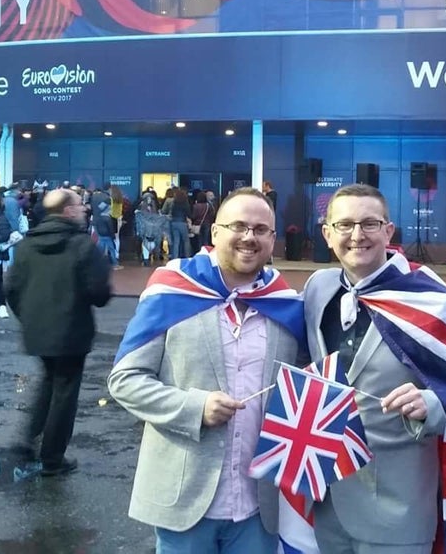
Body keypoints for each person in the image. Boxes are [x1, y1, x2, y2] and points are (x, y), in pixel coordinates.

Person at [108, 187, 305, 554]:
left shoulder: (285, 305)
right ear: (215, 232)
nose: (249, 237)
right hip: (184, 499)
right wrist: (194, 408)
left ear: (273, 239)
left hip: (259, 505)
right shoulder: (173, 289)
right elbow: (125, 380)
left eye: (261, 229)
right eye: (238, 226)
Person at [302, 183, 446, 554]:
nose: (357, 235)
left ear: (389, 230)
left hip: (398, 507)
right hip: (325, 499)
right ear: (327, 233)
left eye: (370, 223)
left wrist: (431, 404)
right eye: (345, 225)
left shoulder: (430, 299)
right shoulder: (317, 290)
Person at [5, 188, 113, 476]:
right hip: (72, 331)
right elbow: (100, 293)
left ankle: (28, 442)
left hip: (38, 330)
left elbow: (11, 288)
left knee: (49, 382)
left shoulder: (28, 245)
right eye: (79, 205)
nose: (83, 209)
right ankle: (53, 456)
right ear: (67, 211)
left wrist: (28, 317)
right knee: (64, 392)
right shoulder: (82, 245)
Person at [91, 187, 120, 269]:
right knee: (112, 249)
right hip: (107, 235)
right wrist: (113, 236)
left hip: (100, 234)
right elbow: (110, 228)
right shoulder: (107, 217)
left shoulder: (98, 215)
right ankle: (115, 264)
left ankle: (96, 263)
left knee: (100, 249)